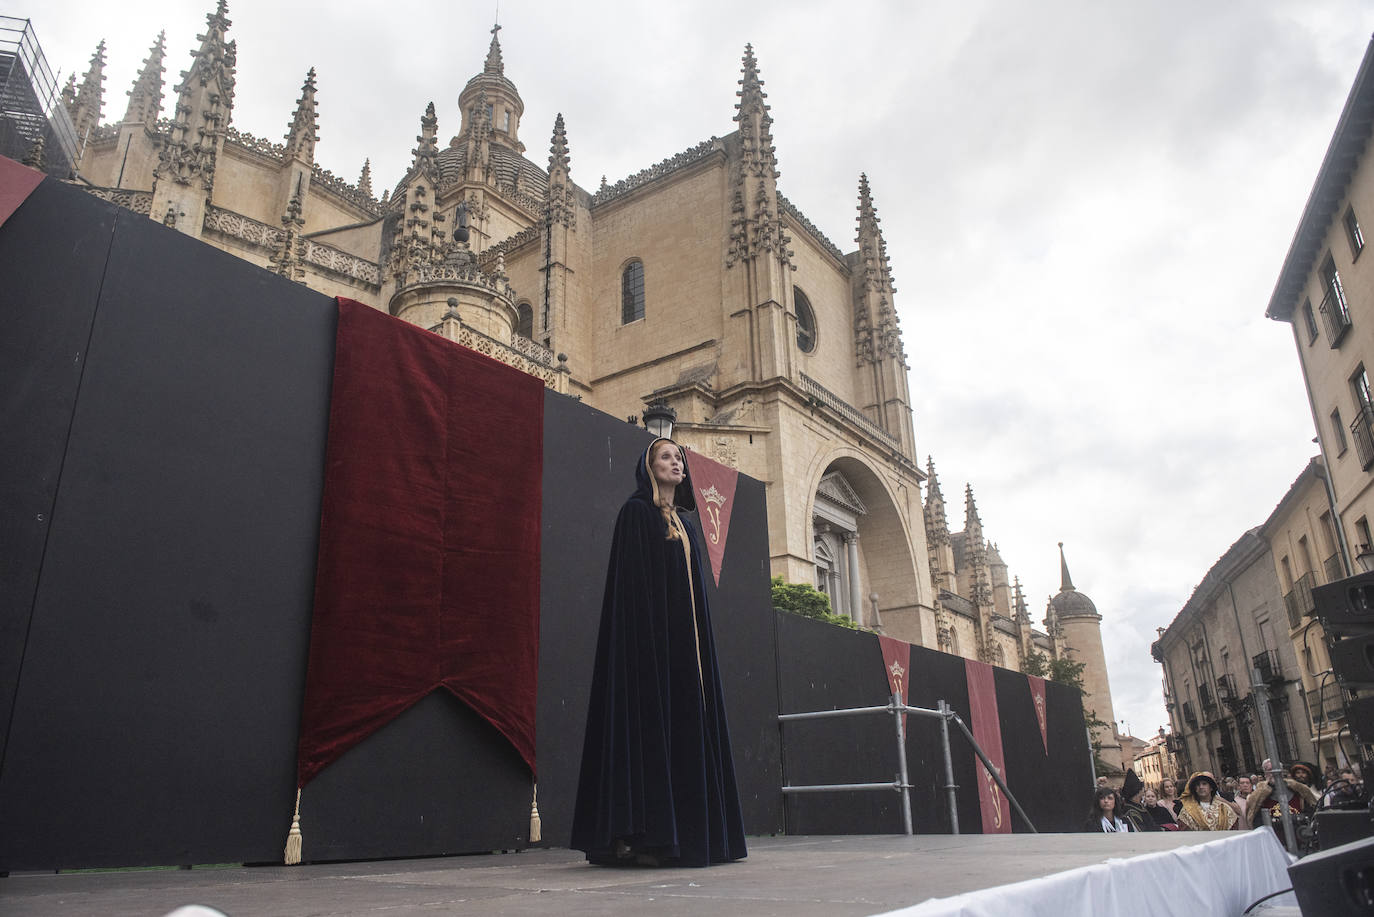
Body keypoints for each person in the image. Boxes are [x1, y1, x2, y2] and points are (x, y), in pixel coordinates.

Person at [571, 438, 747, 867]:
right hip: (651, 650)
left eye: (679, 458)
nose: (677, 463)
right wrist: (652, 645)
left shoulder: (687, 525)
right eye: (666, 457)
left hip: (688, 655)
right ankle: (646, 837)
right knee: (653, 731)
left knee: (688, 729)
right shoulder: (636, 514)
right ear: (649, 467)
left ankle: (690, 836)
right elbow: (632, 592)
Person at [1246, 759, 1320, 829]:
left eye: (1276, 768)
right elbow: (1256, 821)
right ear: (1265, 773)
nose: (1273, 773)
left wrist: (1299, 819)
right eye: (1269, 770)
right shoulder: (1258, 795)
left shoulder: (1299, 789)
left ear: (1281, 771)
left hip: (1299, 833)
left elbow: (1311, 812)